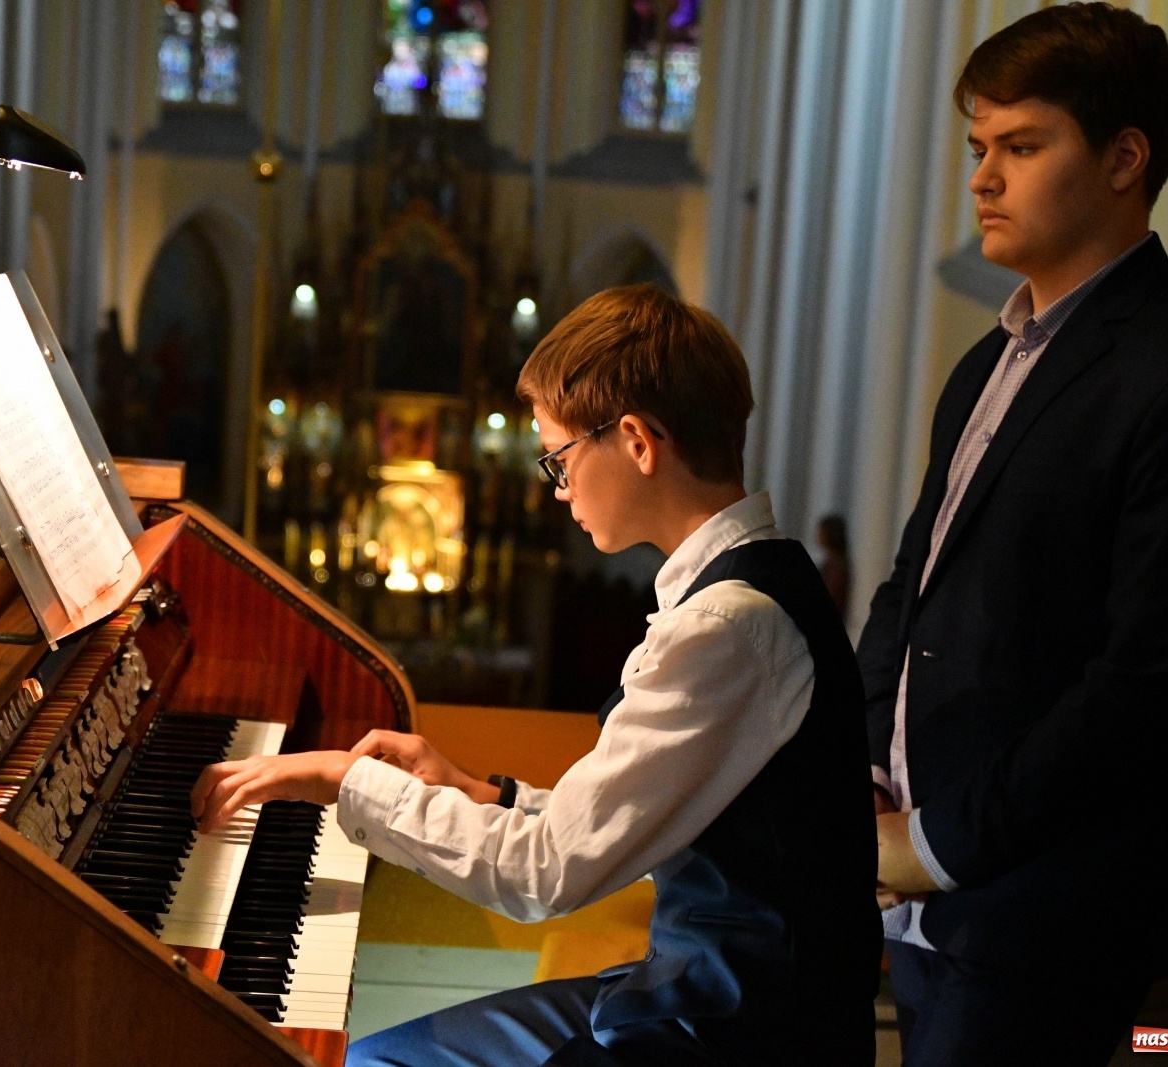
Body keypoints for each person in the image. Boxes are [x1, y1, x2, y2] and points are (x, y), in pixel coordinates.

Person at [192, 283, 881, 1065]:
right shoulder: (742, 594)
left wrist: (346, 781)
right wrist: (481, 792)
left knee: (372, 1062)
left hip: (737, 1032)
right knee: (374, 1052)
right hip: (698, 989)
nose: (556, 488)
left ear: (636, 441)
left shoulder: (728, 627)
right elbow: (622, 815)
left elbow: (545, 874)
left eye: (559, 456)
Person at [859, 5, 1168, 1064]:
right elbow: (910, 589)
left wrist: (933, 843)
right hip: (924, 885)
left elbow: (1147, 685)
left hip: (1047, 907)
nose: (982, 178)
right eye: (977, 148)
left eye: (1020, 146)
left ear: (1122, 158)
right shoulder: (988, 363)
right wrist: (867, 762)